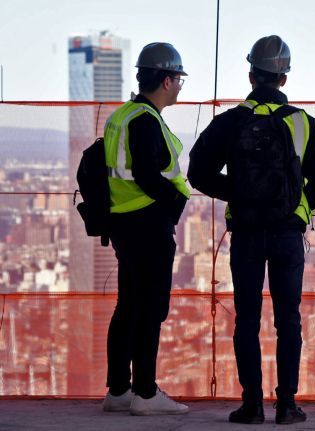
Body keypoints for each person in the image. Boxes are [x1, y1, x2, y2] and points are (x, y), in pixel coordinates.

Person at [187, 35, 315, 425]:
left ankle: (251, 404)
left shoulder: (231, 122)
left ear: (251, 75)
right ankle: (287, 405)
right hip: (289, 234)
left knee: (247, 319)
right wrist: (302, 209)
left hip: (248, 234)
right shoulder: (304, 123)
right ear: (283, 79)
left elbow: (198, 172)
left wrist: (236, 193)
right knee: (288, 318)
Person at [100, 42, 190, 416]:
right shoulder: (145, 120)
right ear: (166, 80)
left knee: (128, 306)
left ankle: (119, 389)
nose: (180, 86)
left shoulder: (121, 116)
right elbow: (148, 175)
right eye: (179, 80)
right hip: (147, 224)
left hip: (124, 221)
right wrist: (172, 205)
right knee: (151, 308)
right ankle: (146, 393)